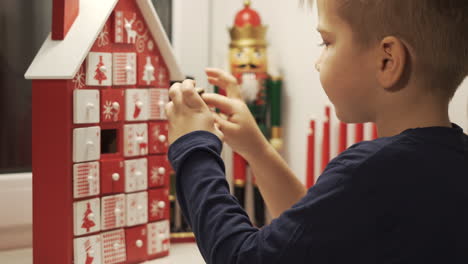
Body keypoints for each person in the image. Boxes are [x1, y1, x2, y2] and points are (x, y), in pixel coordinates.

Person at [164, 0, 468, 263]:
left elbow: (242, 257)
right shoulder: (447, 164)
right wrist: (257, 149)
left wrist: (193, 148)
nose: (317, 62)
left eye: (326, 42)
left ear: (387, 60)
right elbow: (310, 236)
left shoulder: (372, 171)